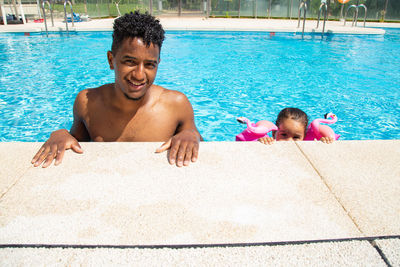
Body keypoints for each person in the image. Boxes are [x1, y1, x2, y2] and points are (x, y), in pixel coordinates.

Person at [31, 11, 202, 168]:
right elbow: (77, 142)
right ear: (111, 60)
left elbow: (200, 141)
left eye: (149, 65)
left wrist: (191, 135)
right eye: (130, 62)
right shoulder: (87, 103)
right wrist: (61, 134)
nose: (139, 75)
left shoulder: (176, 104)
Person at [258, 108, 335, 145]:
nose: (289, 141)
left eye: (296, 137)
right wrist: (262, 142)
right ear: (274, 133)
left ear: (304, 137)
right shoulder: (271, 142)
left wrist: (324, 141)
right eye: (284, 135)